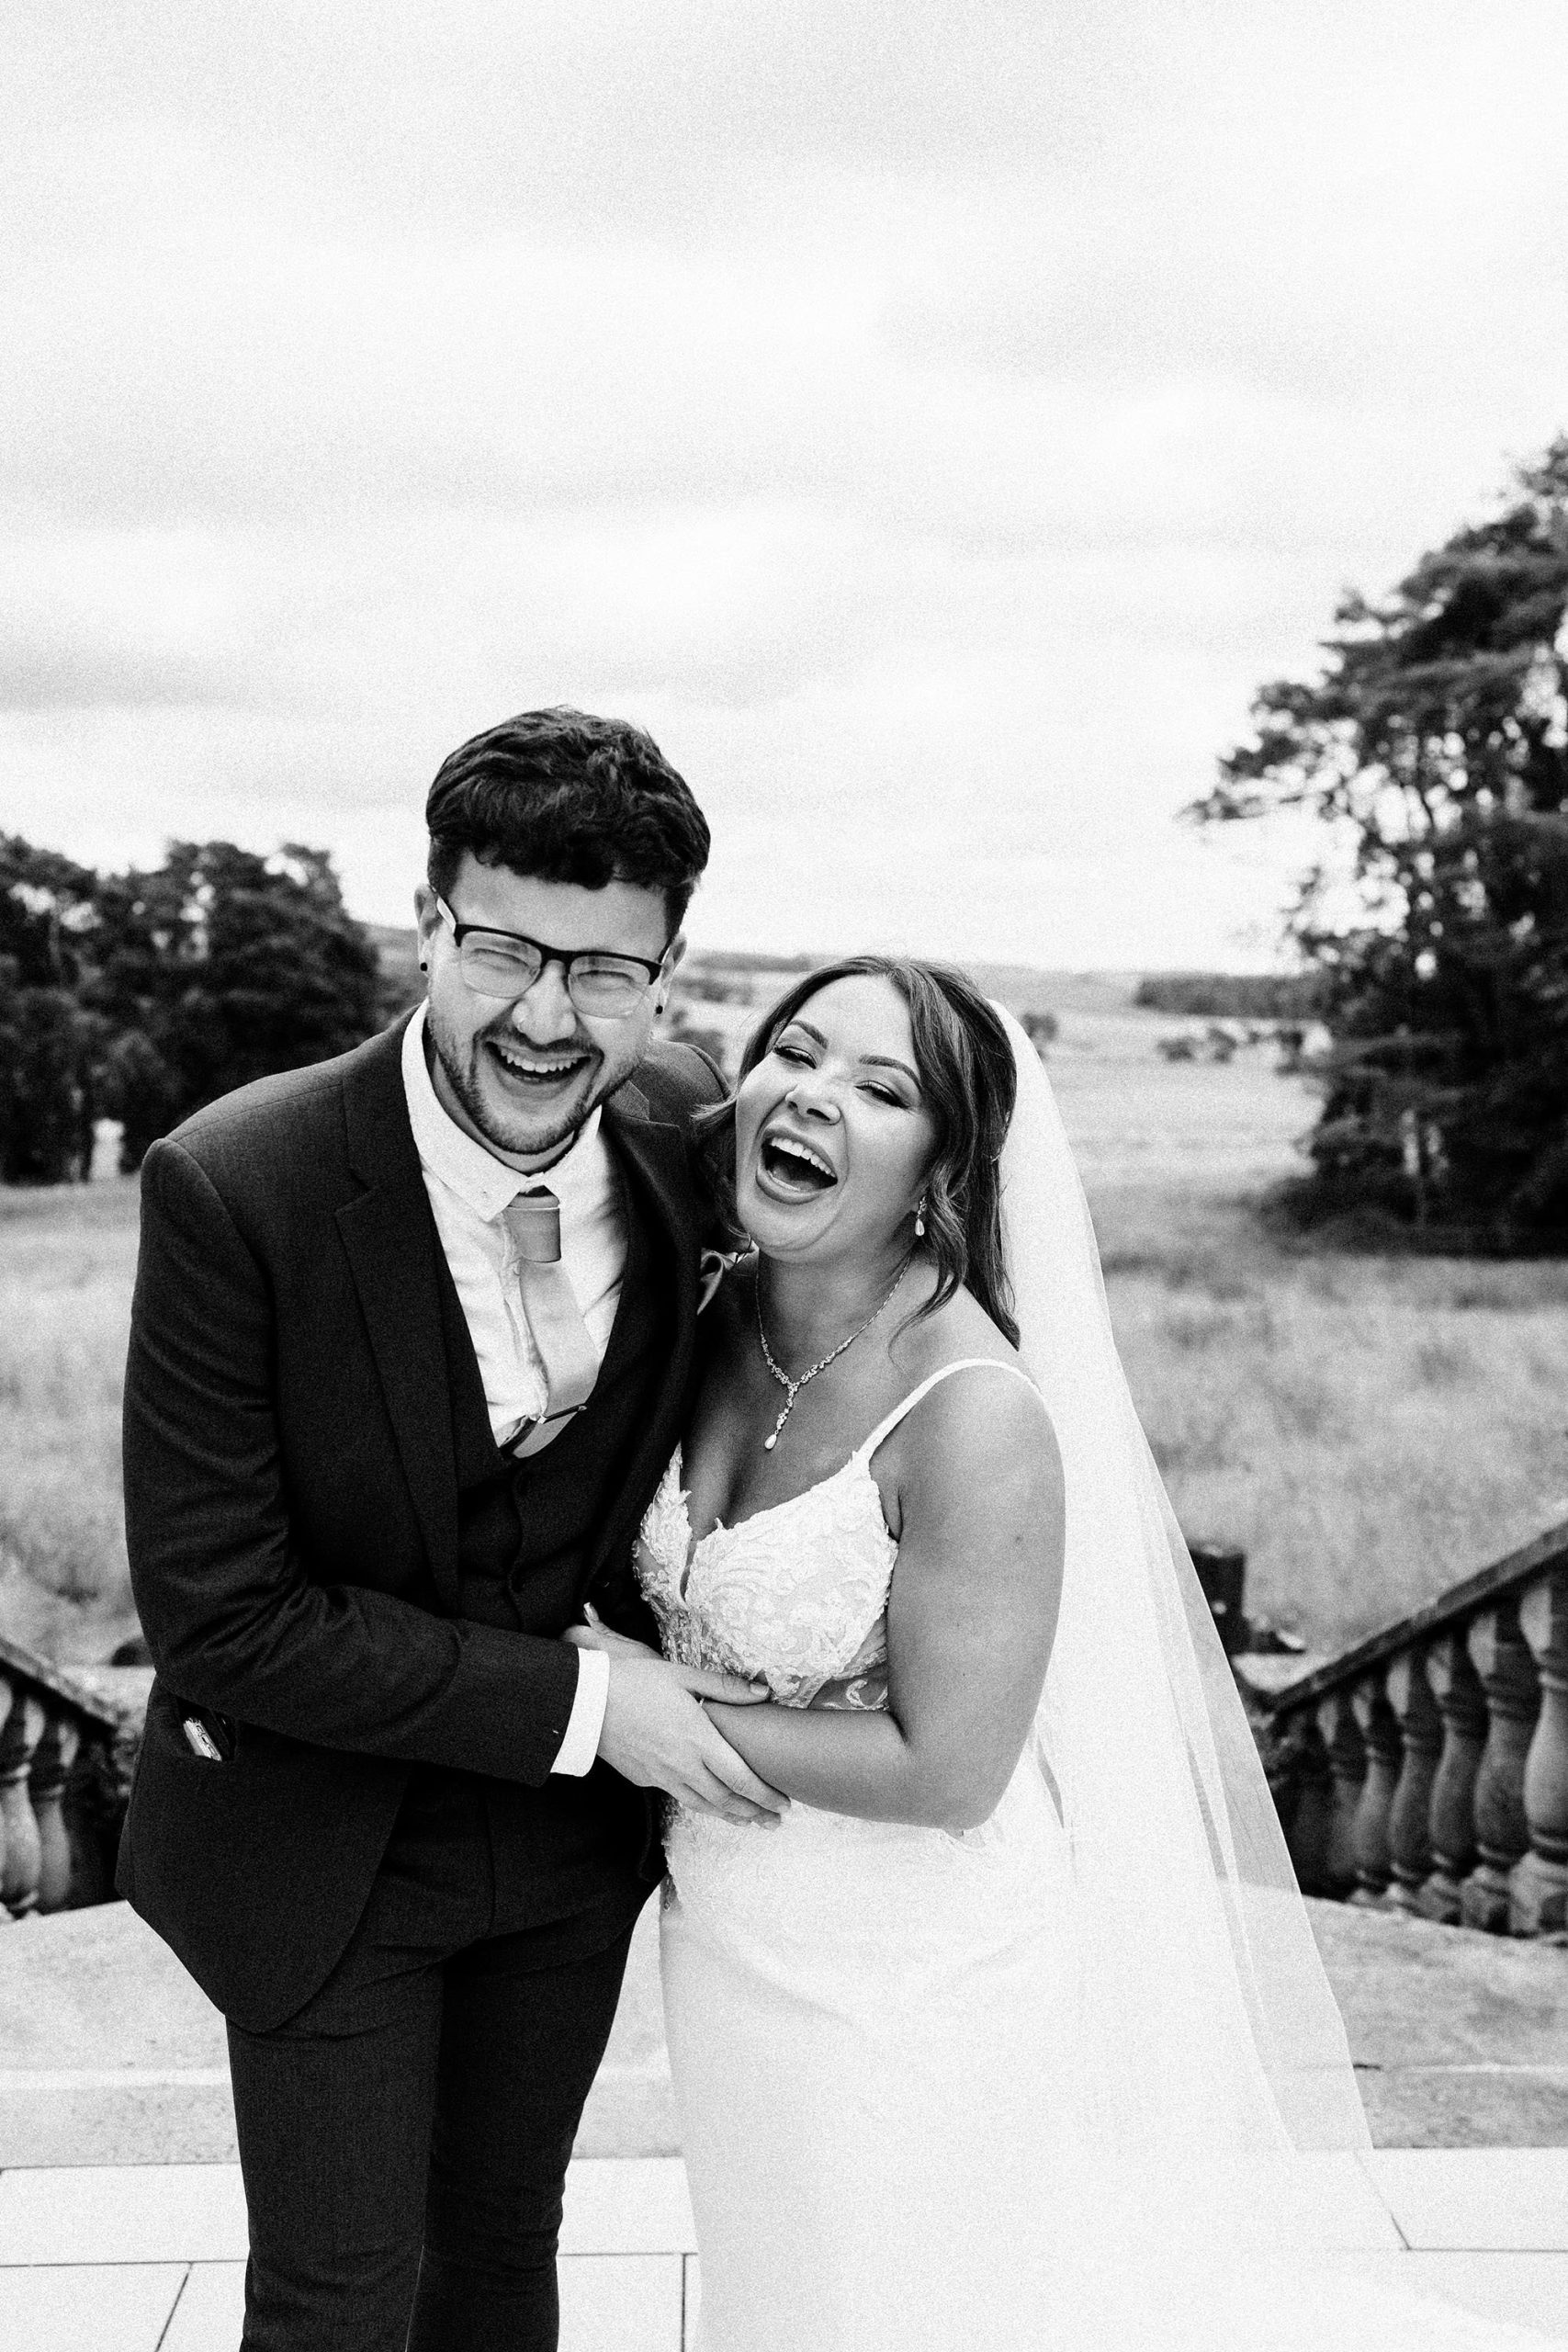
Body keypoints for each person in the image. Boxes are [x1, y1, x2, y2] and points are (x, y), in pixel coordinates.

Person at [570, 955, 1551, 2350]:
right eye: (796, 1051)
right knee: (781, 2294)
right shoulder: (709, 1318)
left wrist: (638, 1707)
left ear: (939, 1170)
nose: (813, 1095)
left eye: (882, 1086)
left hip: (917, 1966)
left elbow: (949, 1767)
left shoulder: (973, 1412)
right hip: (732, 1937)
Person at [117, 707, 788, 2352]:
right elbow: (224, 1617)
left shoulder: (688, 1128)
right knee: (338, 2302)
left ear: (668, 972)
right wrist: (590, 1706)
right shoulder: (237, 1184)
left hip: (568, 1866)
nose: (550, 1018)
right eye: (504, 953)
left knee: (498, 2262)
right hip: (322, 1843)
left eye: (607, 972)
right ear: (428, 926)